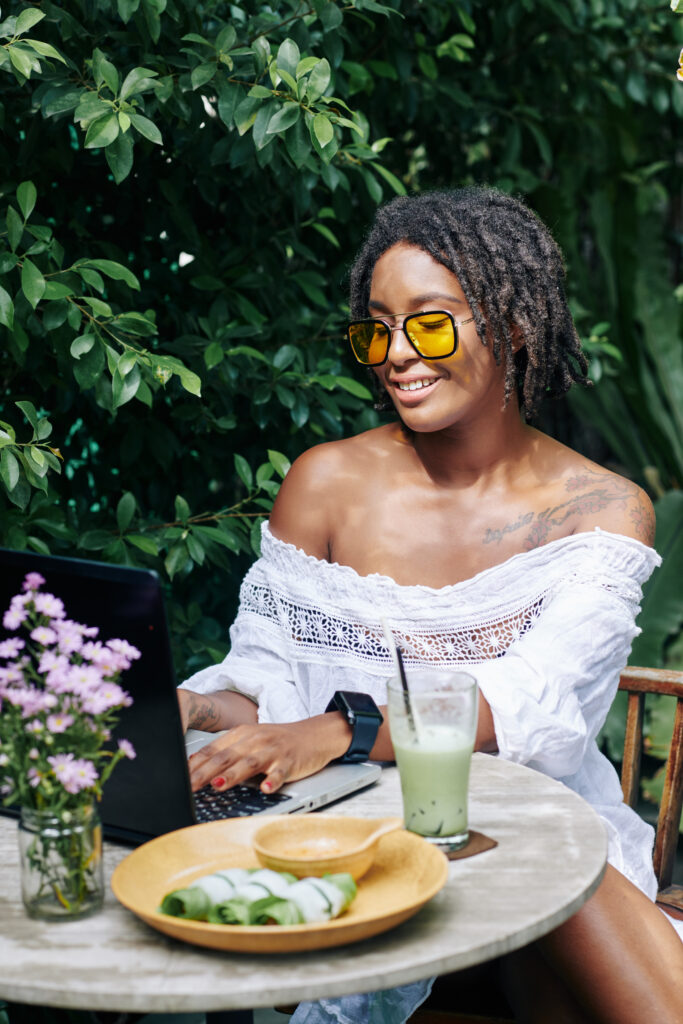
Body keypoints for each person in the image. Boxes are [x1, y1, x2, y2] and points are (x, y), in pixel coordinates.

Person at [178, 187, 683, 1024]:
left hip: (543, 886)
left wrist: (337, 729)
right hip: (373, 867)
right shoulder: (326, 483)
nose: (398, 353)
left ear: (514, 321)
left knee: (537, 840)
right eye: (377, 328)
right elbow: (269, 688)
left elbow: (533, 710)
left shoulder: (598, 509)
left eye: (432, 322)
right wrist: (197, 704)